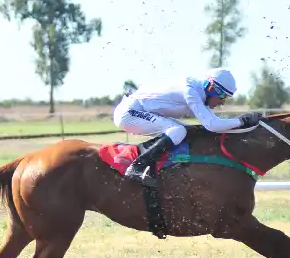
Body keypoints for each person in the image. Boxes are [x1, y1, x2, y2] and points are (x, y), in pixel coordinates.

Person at [112, 67, 263, 185]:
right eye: (223, 97)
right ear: (211, 89)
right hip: (130, 112)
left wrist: (240, 124)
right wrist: (242, 121)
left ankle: (161, 168)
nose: (223, 102)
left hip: (140, 110)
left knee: (188, 131)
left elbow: (214, 123)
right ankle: (137, 167)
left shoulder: (200, 91)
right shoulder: (191, 91)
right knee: (178, 131)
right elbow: (212, 125)